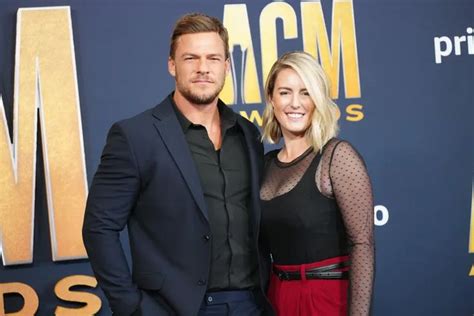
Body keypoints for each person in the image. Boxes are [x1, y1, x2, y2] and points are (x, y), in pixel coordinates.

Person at [83, 13, 272, 316]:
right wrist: (132, 307)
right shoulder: (135, 136)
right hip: (174, 308)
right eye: (190, 58)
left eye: (213, 58)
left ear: (226, 67)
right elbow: (98, 227)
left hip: (249, 304)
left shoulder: (248, 134)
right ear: (172, 65)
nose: (202, 68)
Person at [259, 51, 374, 316]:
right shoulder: (263, 165)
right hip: (276, 298)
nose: (295, 103)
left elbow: (362, 244)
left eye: (306, 92)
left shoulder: (337, 156)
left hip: (326, 299)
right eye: (285, 92)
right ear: (271, 99)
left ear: (318, 100)